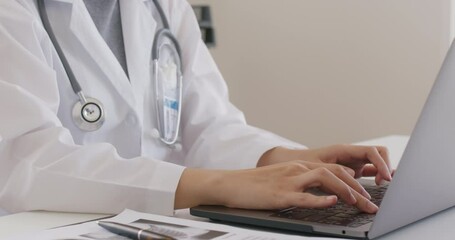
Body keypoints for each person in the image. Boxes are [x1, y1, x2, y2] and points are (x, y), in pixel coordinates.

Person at [0, 0, 392, 216]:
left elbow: (208, 124)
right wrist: (222, 185)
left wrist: (292, 159)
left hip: (153, 223)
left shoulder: (164, 7)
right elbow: (26, 165)